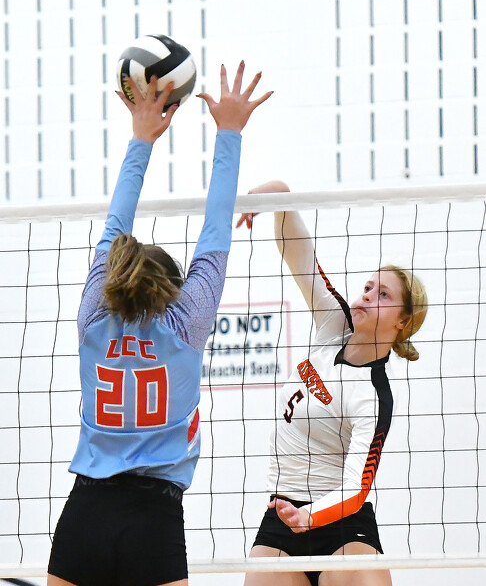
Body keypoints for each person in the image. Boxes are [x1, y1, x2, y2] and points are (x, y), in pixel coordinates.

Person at [46, 62, 272, 586]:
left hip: (84, 513)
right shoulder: (186, 324)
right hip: (154, 519)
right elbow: (217, 232)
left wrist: (141, 137)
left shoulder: (93, 318)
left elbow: (114, 226)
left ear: (114, 273)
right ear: (175, 289)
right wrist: (229, 132)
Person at [237, 180, 428, 586]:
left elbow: (356, 489)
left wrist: (310, 516)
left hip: (342, 524)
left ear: (403, 321)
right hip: (282, 515)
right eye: (367, 287)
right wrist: (279, 194)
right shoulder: (332, 324)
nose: (367, 295)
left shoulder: (374, 395)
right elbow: (299, 256)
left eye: (383, 294)